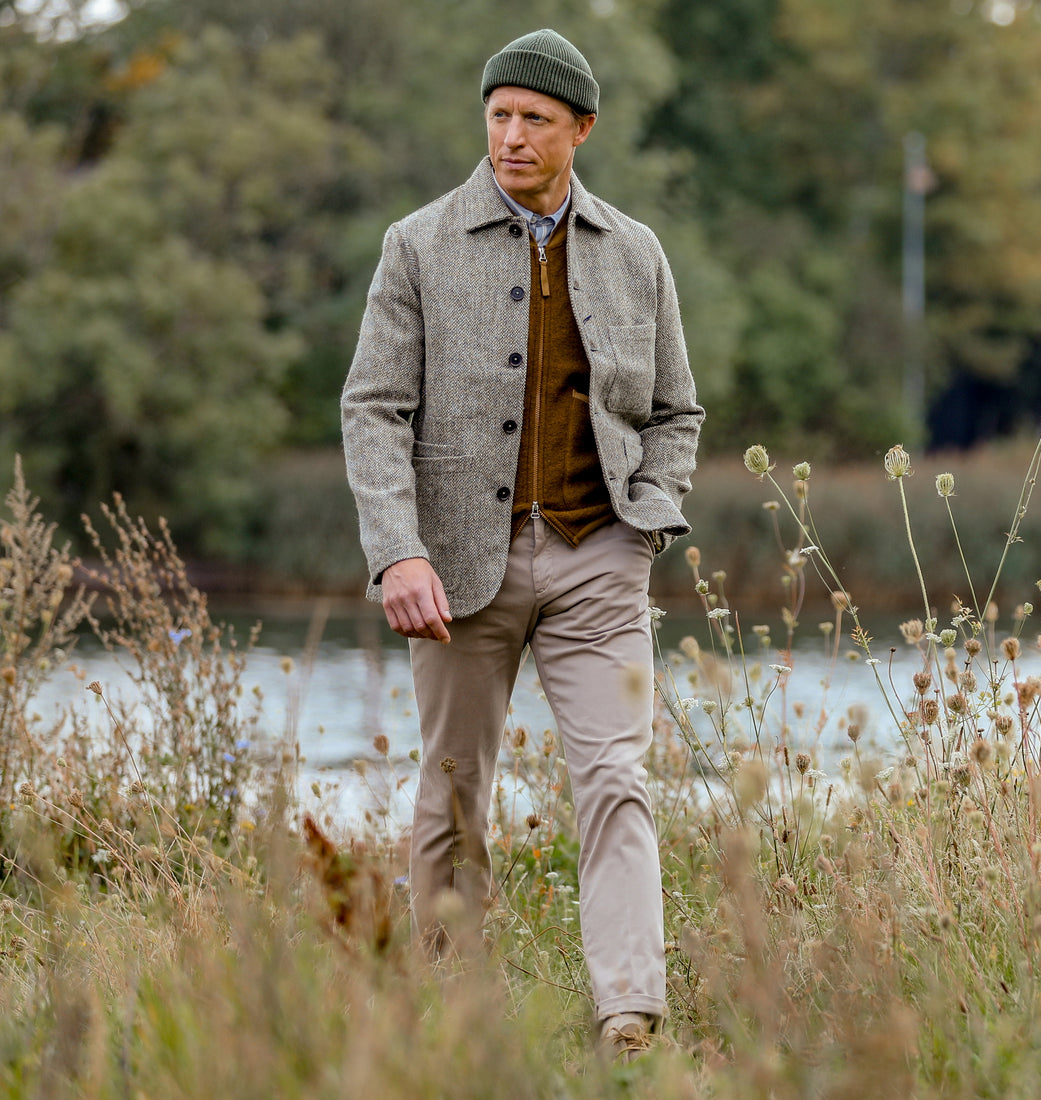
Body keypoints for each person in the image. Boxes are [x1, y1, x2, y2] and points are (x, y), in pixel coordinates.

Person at [341, 27, 703, 1061]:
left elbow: (676, 409)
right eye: (497, 115)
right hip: (453, 567)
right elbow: (370, 408)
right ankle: (457, 1011)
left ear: (580, 130)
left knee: (617, 777)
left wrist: (649, 514)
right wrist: (394, 550)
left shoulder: (634, 251)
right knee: (453, 791)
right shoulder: (415, 244)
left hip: (600, 554)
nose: (509, 136)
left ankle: (628, 1014)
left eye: (533, 120)